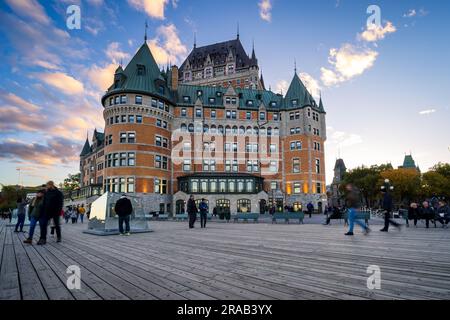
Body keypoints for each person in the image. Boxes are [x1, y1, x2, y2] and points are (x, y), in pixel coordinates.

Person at [38, 181, 63, 245]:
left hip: (55, 211)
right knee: (44, 225)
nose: (47, 186)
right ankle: (43, 239)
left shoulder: (58, 193)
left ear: (51, 185)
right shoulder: (46, 192)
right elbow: (44, 202)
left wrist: (59, 211)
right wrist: (42, 210)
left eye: (47, 185)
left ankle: (59, 237)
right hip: (47, 211)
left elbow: (60, 203)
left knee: (56, 224)